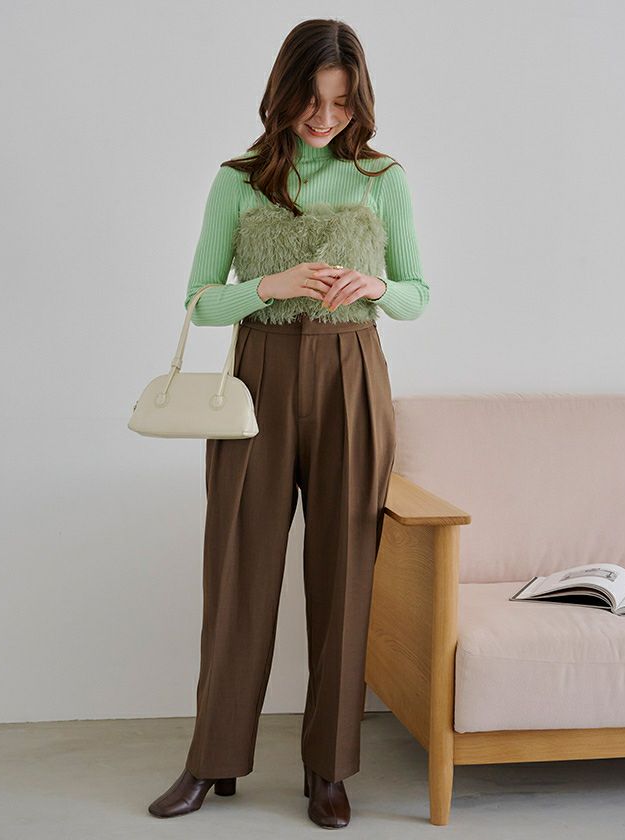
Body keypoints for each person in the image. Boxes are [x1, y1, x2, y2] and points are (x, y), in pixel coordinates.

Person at [148, 17, 430, 829]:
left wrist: (374, 288)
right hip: (259, 379)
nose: (324, 119)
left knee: (345, 574)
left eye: (341, 104)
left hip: (353, 373)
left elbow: (418, 293)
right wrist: (268, 285)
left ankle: (328, 769)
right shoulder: (238, 180)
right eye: (312, 101)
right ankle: (212, 760)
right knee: (239, 571)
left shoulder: (382, 178)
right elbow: (200, 302)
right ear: (283, 93)